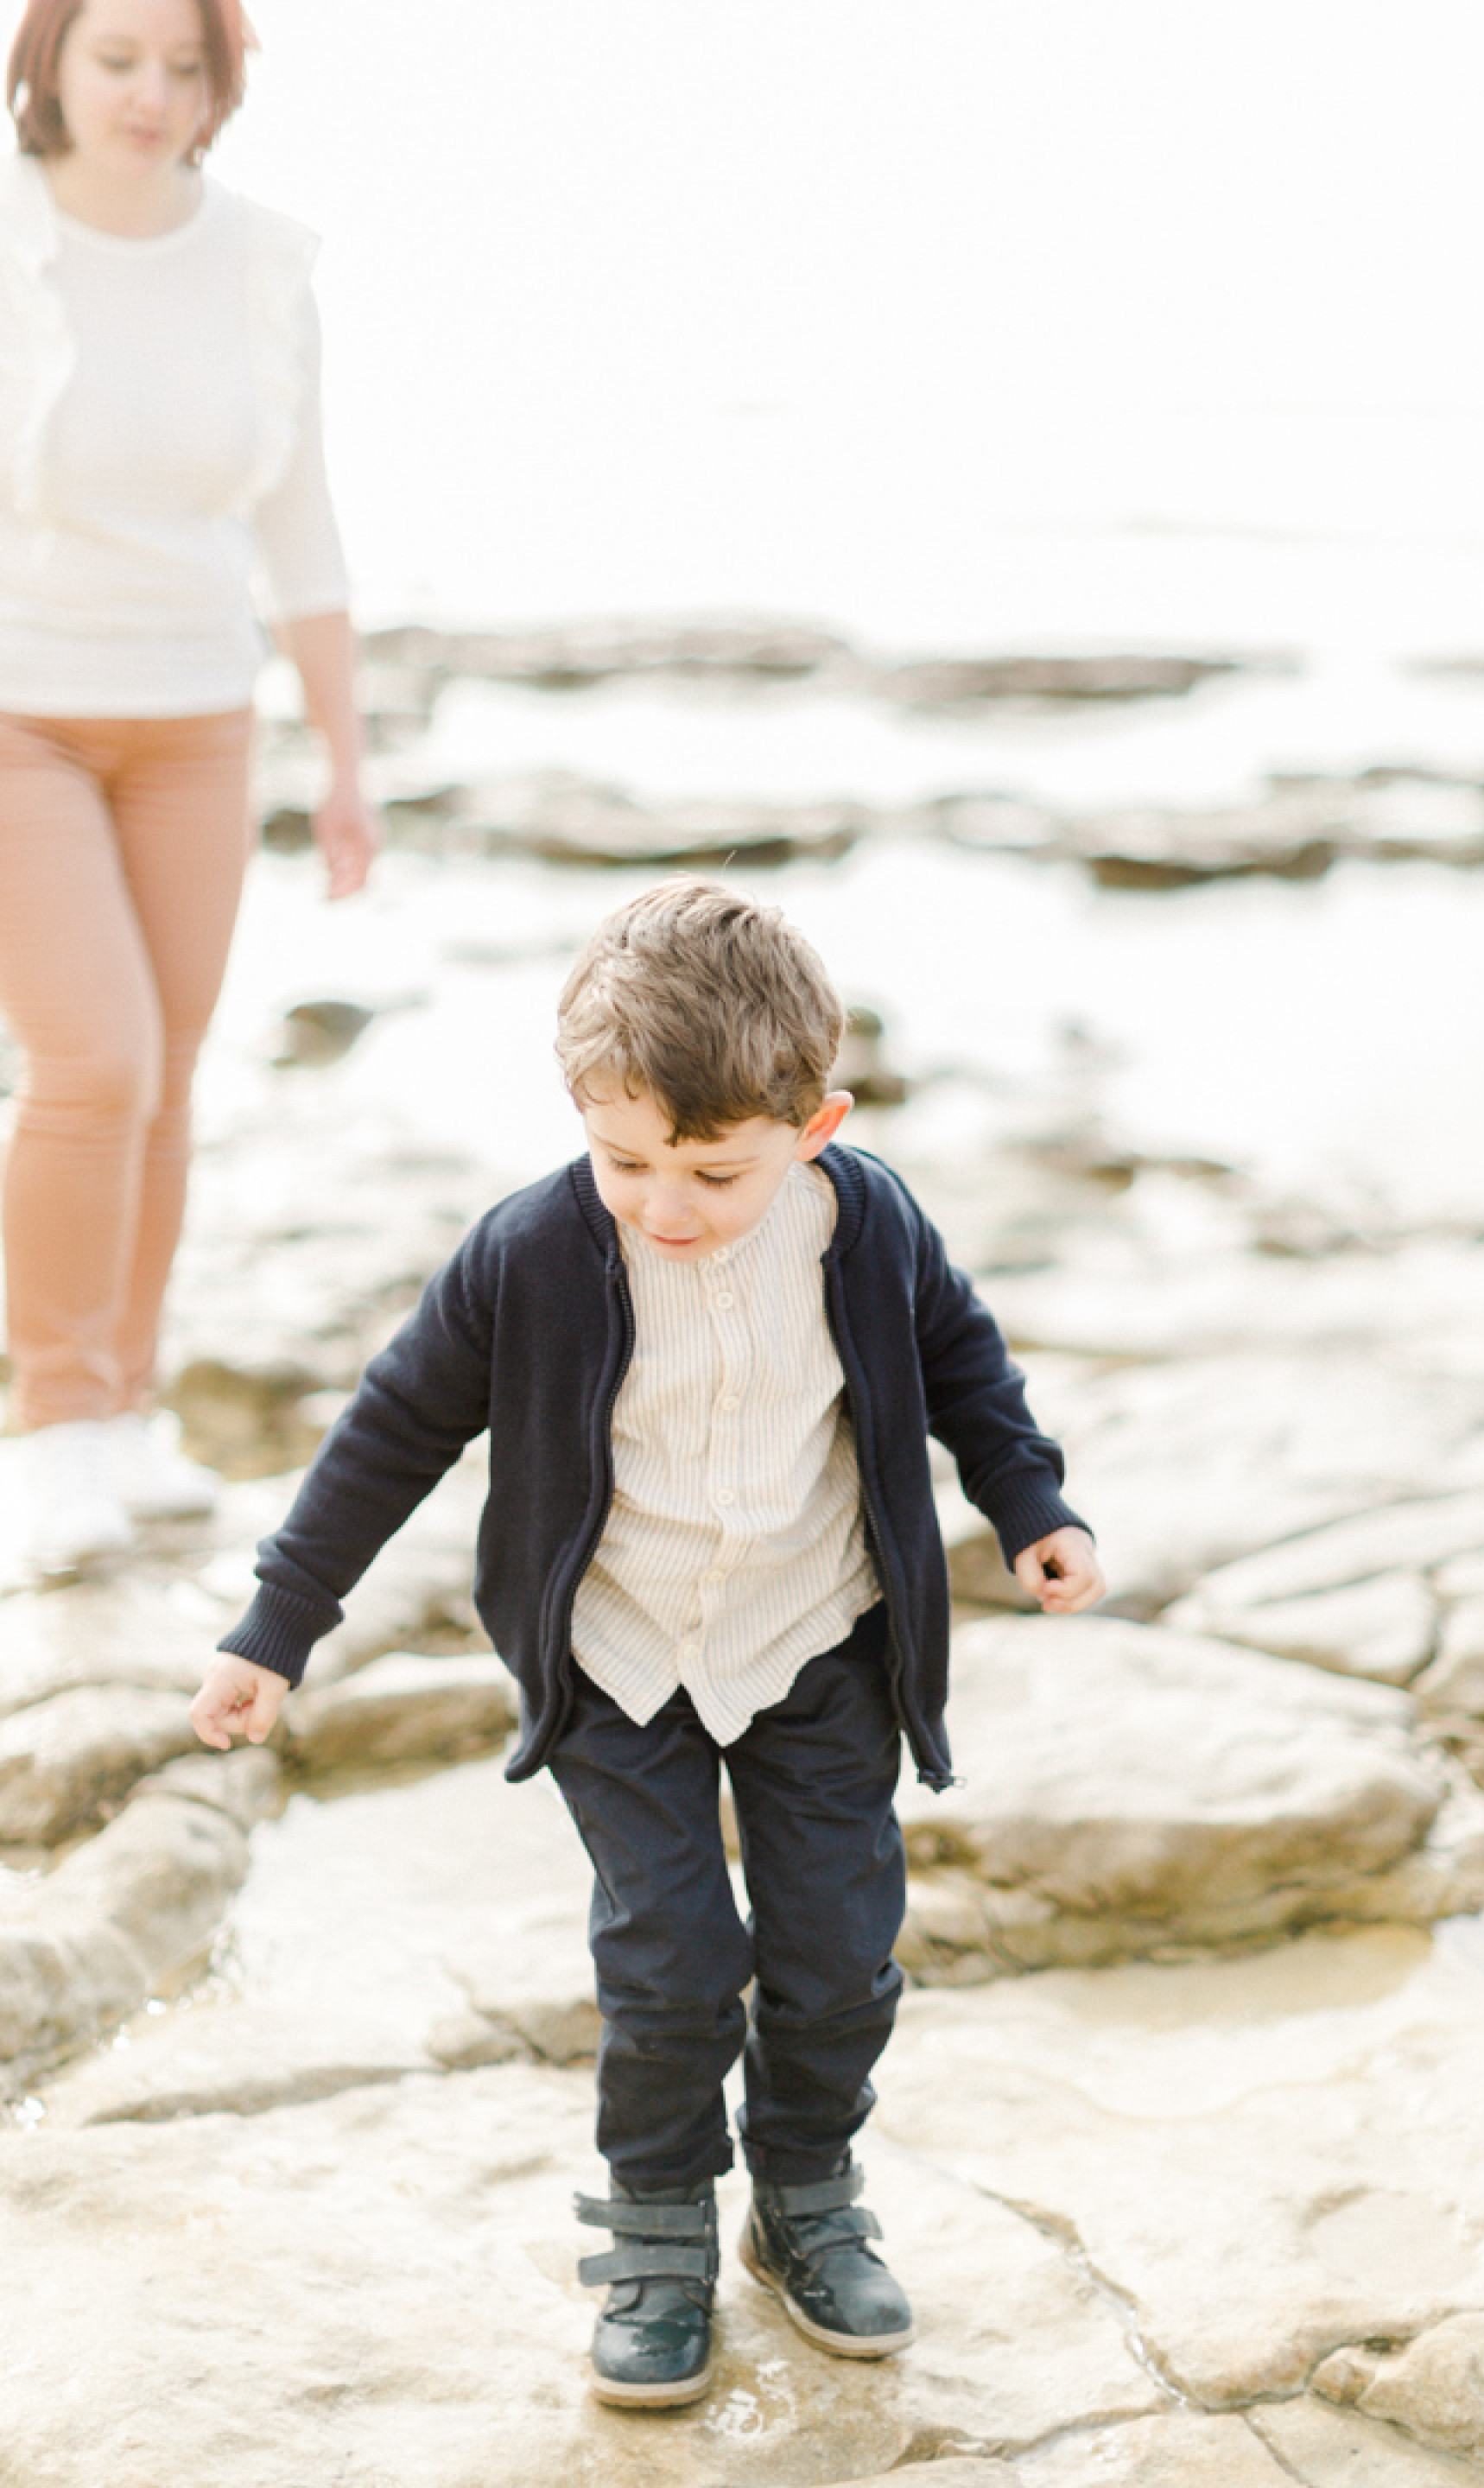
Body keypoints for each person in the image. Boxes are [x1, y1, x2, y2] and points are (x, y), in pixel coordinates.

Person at [190, 879, 1107, 2410]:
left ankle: (804, 2197)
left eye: (711, 1171)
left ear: (815, 1124)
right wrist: (278, 1627)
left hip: (818, 1636)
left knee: (837, 1956)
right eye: (625, 1161)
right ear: (580, 1118)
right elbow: (392, 1429)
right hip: (619, 1659)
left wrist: (1028, 1502)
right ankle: (661, 2225)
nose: (665, 1206)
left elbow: (962, 1359)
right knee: (675, 1963)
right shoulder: (534, 1251)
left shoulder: (865, 1223)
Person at [0, 0, 377, 1576]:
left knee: (170, 1069)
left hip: (198, 720)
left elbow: (300, 524)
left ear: (223, 81)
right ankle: (50, 1434)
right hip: (18, 714)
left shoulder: (262, 261)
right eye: (117, 60)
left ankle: (128, 1413)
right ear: (49, 65)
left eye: (182, 64)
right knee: (94, 1065)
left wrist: (348, 759)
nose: (150, 94)